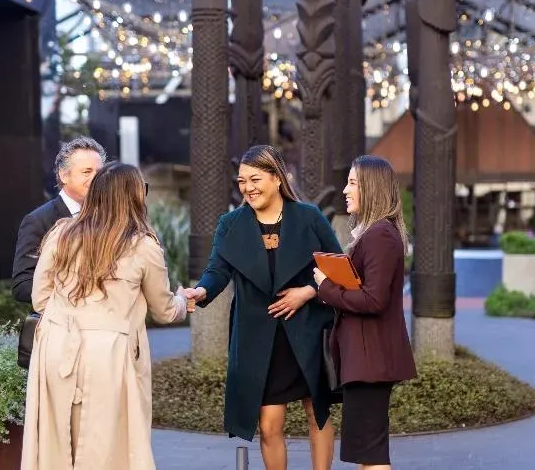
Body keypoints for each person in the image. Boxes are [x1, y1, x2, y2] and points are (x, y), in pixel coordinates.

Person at [184, 145, 341, 470]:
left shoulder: (309, 217)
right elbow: (217, 271)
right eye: (242, 181)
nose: (248, 188)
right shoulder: (231, 224)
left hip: (308, 331)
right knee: (269, 424)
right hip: (259, 339)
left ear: (276, 177)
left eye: (255, 179)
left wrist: (308, 292)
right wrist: (200, 291)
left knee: (318, 414)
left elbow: (338, 267)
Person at [21, 161, 186, 470]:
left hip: (55, 346)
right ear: (134, 197)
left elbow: (40, 297)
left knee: (55, 442)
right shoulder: (142, 245)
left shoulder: (61, 234)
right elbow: (164, 311)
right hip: (108, 354)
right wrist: (182, 299)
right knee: (107, 449)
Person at [313, 155, 417, 470]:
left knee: (371, 455)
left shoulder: (380, 235)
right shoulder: (376, 234)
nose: (345, 190)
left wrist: (326, 286)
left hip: (371, 362)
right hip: (366, 360)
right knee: (367, 454)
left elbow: (374, 300)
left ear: (372, 188)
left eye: (353, 183)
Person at [12, 136, 106, 303]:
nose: (95, 179)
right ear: (64, 175)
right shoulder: (38, 221)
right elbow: (22, 285)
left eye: (99, 173)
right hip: (61, 325)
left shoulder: (110, 216)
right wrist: (77, 295)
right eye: (86, 172)